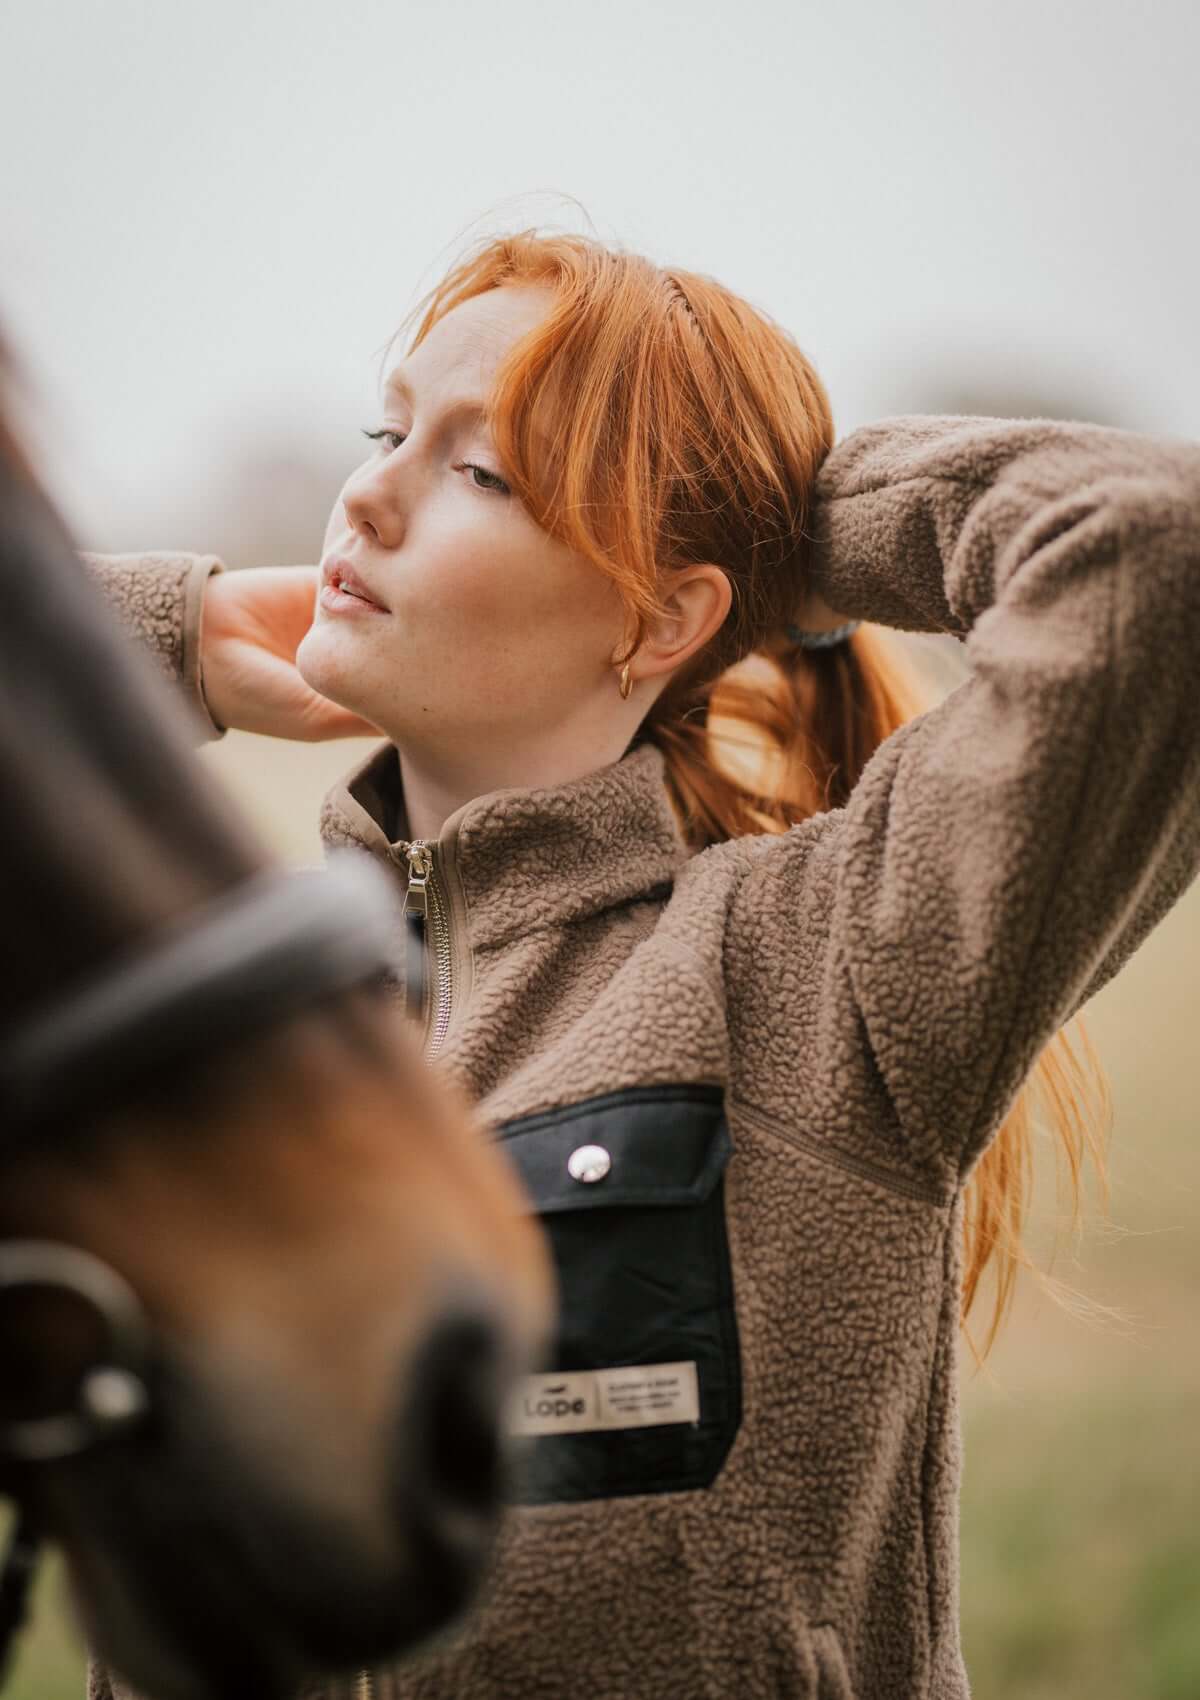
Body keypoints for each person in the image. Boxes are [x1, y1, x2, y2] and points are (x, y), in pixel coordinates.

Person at [85, 230, 1200, 1700]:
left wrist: (789, 530)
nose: (365, 492)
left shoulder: (821, 965)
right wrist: (168, 636)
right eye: (391, 428)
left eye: (480, 473)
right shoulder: (221, 1023)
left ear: (663, 616)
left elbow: (1149, 556)